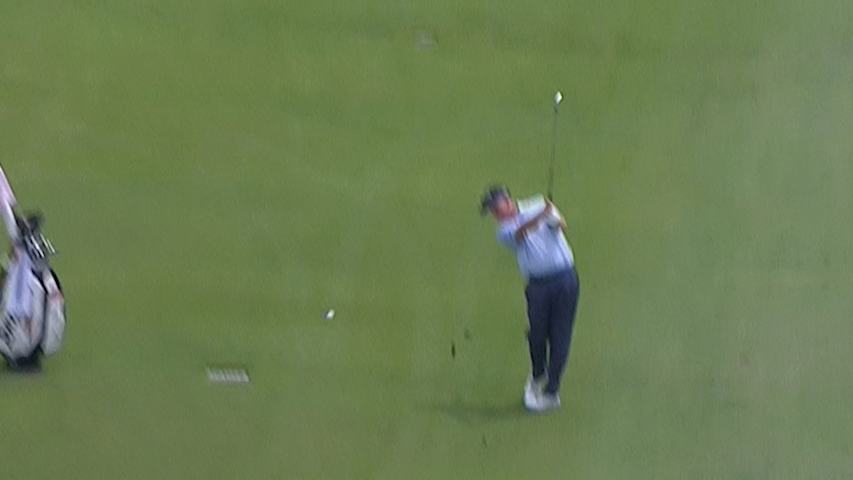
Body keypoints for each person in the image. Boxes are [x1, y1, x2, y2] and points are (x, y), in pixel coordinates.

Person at [481, 185, 580, 412]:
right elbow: (519, 235)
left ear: (507, 201)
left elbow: (560, 224)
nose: (495, 216)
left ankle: (552, 392)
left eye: (495, 209)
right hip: (537, 286)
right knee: (536, 333)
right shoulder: (504, 231)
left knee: (559, 335)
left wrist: (552, 217)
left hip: (564, 279)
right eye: (492, 213)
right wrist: (541, 215)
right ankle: (538, 372)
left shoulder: (537, 203)